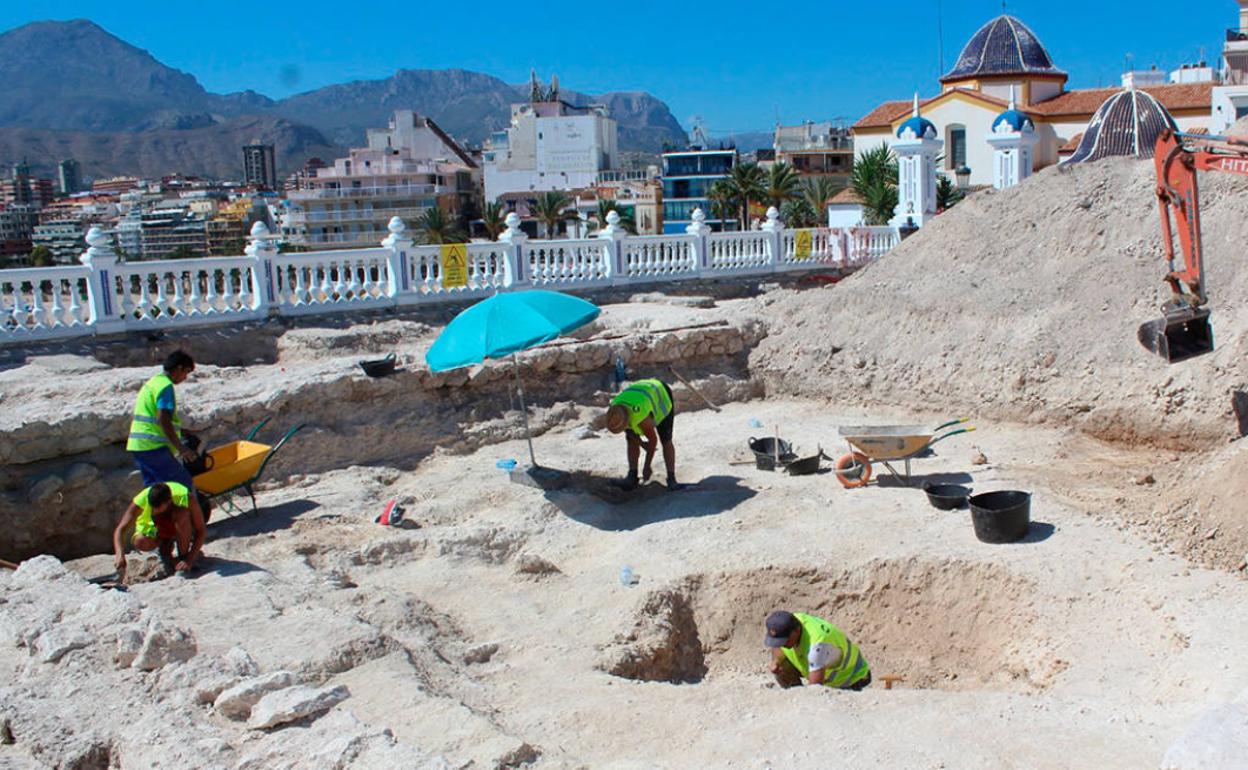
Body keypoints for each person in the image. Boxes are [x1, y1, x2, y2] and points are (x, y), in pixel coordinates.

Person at [127, 351, 197, 488]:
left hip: (139, 445)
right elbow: (163, 419)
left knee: (155, 491)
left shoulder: (153, 382)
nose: (185, 378)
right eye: (186, 372)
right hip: (153, 446)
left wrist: (181, 431)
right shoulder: (165, 387)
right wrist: (182, 449)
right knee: (183, 485)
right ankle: (189, 510)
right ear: (179, 368)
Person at [112, 482, 207, 580]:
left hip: (178, 524)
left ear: (168, 501)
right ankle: (164, 549)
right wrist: (120, 555)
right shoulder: (141, 501)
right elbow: (120, 529)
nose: (154, 510)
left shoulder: (186, 498)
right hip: (158, 530)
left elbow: (201, 530)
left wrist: (189, 559)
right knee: (140, 541)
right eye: (152, 507)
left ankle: (182, 557)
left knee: (182, 514)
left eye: (157, 508)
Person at [764, 610, 871, 691]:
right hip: (820, 669)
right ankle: (796, 694)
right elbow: (777, 646)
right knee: (782, 666)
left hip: (852, 679)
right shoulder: (791, 622)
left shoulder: (818, 645)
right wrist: (776, 662)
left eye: (785, 640)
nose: (782, 644)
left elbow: (815, 690)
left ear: (796, 630)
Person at [604, 378, 681, 489]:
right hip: (641, 394)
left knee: (665, 439)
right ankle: (632, 476)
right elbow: (630, 434)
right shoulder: (616, 410)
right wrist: (640, 442)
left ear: (627, 421)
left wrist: (647, 466)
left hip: (660, 394)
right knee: (630, 439)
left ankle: (672, 479)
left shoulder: (641, 418)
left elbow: (653, 442)